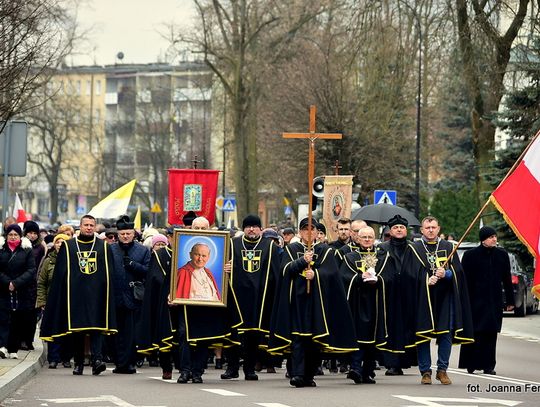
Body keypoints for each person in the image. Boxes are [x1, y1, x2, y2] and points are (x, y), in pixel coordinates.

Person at [269, 217, 357, 388]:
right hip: (297, 300)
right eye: (304, 229)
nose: (308, 233)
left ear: (317, 232)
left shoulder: (325, 250)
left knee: (313, 340)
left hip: (318, 304)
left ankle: (309, 375)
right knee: (298, 338)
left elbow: (331, 274)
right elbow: (285, 270)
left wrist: (316, 275)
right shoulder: (292, 249)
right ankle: (297, 374)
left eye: (312, 229)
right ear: (300, 232)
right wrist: (302, 261)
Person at [40, 215, 117, 376]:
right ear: (80, 227)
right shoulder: (69, 246)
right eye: (86, 225)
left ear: (95, 227)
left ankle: (97, 360)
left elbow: (109, 274)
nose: (89, 228)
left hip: (97, 296)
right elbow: (61, 274)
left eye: (91, 225)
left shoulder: (103, 246)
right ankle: (79, 363)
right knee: (78, 330)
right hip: (75, 296)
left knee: (97, 328)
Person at [410, 216, 474, 385]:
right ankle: (425, 371)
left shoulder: (448, 247)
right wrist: (426, 279)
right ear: (422, 230)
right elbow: (410, 273)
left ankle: (442, 370)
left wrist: (446, 273)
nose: (430, 230)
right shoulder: (415, 248)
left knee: (445, 333)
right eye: (427, 227)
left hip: (445, 297)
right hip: (424, 298)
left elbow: (459, 272)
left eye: (433, 227)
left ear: (438, 229)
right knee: (423, 334)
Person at [220, 214, 280, 381]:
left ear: (260, 228)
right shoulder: (232, 244)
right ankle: (232, 368)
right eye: (248, 226)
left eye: (255, 226)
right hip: (237, 297)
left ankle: (250, 369)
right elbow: (219, 266)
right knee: (234, 335)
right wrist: (225, 268)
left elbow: (276, 273)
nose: (251, 229)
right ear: (243, 229)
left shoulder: (270, 246)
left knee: (253, 336)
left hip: (259, 298)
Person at [458, 226, 514, 375]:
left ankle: (489, 365)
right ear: (483, 240)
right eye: (491, 237)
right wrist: (464, 301)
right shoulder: (470, 255)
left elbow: (507, 279)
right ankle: (471, 363)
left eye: (495, 236)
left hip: (493, 301)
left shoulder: (502, 255)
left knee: (490, 334)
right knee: (475, 333)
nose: (494, 239)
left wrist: (510, 301)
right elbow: (464, 280)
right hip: (474, 301)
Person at [340, 226, 385, 384]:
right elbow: (344, 277)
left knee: (373, 338)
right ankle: (356, 368)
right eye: (364, 237)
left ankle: (368, 371)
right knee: (358, 336)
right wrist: (360, 277)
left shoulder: (382, 256)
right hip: (357, 301)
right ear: (358, 239)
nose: (367, 240)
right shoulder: (350, 257)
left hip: (377, 301)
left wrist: (379, 279)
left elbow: (390, 277)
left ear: (374, 238)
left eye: (370, 237)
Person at [376, 215, 417, 376]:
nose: (399, 229)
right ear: (390, 231)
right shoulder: (383, 248)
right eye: (395, 227)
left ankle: (406, 361)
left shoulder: (413, 248)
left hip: (408, 293)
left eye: (401, 227)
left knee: (408, 326)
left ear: (406, 230)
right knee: (391, 327)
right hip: (390, 293)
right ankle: (392, 364)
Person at [109, 215, 151, 374]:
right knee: (115, 333)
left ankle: (130, 363)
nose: (125, 236)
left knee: (132, 334)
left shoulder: (143, 250)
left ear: (134, 234)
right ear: (117, 234)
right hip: (115, 297)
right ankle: (119, 363)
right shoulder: (110, 249)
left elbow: (148, 271)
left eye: (128, 233)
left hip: (134, 297)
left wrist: (134, 265)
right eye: (122, 234)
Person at [0, 224, 36, 359]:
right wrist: (7, 282)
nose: (13, 237)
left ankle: (13, 348)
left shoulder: (26, 250)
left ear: (20, 236)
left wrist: (16, 283)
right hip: (3, 290)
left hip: (21, 291)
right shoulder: (1, 249)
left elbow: (31, 270)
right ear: (6, 236)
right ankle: (2, 346)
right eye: (10, 234)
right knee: (3, 318)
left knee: (17, 320)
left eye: (16, 234)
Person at [36, 233, 72, 368]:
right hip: (52, 301)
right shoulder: (48, 261)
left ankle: (66, 358)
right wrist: (42, 301)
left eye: (64, 242)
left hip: (68, 301)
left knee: (68, 331)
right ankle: (53, 358)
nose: (60, 244)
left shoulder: (73, 261)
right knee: (53, 330)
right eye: (58, 242)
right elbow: (41, 283)